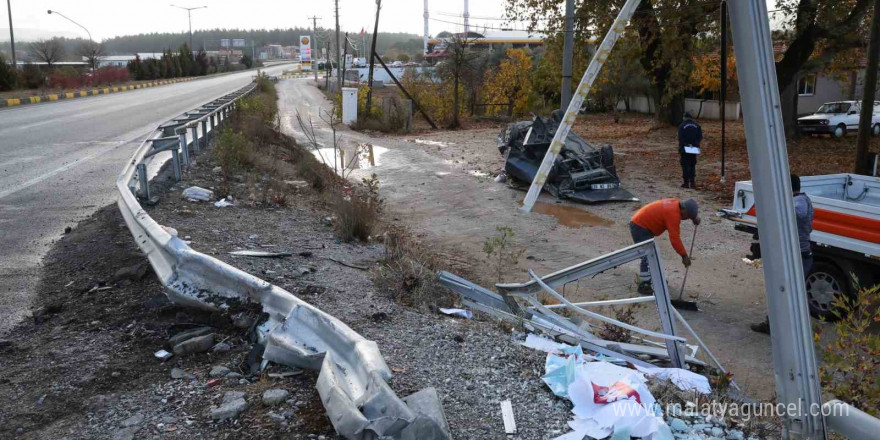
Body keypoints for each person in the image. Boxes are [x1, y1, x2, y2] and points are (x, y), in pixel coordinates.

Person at [751, 174, 814, 334]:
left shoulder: (798, 202)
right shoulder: (803, 199)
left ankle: (775, 326)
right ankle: (788, 326)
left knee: (781, 292)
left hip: (796, 257)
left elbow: (798, 212)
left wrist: (778, 204)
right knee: (789, 293)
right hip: (798, 254)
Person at [630, 198, 701, 295]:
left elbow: (687, 211)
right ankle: (644, 285)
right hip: (640, 226)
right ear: (683, 209)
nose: (684, 219)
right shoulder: (673, 214)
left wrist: (694, 218)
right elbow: (674, 239)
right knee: (646, 256)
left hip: (642, 223)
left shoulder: (677, 204)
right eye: (687, 216)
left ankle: (654, 280)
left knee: (653, 255)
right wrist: (684, 256)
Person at [678, 113, 702, 189]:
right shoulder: (697, 126)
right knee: (692, 165)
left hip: (684, 149)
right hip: (694, 149)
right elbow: (700, 137)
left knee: (685, 165)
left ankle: (686, 183)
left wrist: (686, 144)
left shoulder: (681, 126)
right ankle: (692, 183)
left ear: (684, 117)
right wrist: (695, 144)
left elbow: (680, 138)